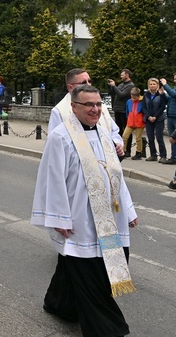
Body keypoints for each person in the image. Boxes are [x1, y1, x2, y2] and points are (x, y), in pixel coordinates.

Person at [31, 84, 137, 336]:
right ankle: (108, 329)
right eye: (89, 105)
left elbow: (115, 174)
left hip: (110, 216)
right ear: (74, 107)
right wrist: (59, 217)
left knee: (85, 267)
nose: (95, 109)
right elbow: (53, 178)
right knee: (92, 274)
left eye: (99, 104)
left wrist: (129, 210)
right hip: (79, 217)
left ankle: (61, 304)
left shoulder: (103, 133)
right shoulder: (61, 136)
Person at [108, 69, 135, 155]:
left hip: (124, 110)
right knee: (118, 130)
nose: (121, 76)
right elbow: (114, 93)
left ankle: (128, 150)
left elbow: (122, 94)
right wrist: (111, 87)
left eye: (122, 75)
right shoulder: (121, 84)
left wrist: (114, 86)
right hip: (117, 109)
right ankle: (120, 148)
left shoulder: (131, 85)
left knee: (126, 130)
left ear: (127, 75)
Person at [143, 77, 167, 162]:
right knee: (150, 137)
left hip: (159, 118)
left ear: (157, 85)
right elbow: (144, 107)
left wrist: (155, 116)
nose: (152, 86)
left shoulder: (161, 94)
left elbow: (163, 106)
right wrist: (148, 116)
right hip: (148, 119)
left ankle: (163, 156)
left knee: (159, 137)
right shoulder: (146, 95)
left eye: (154, 84)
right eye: (151, 84)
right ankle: (153, 155)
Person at [122, 87, 146, 160]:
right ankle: (123, 151)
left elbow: (144, 111)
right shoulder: (129, 101)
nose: (133, 99)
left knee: (138, 138)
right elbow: (127, 111)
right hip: (130, 122)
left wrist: (143, 120)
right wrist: (128, 118)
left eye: (134, 97)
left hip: (139, 122)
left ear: (138, 96)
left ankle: (138, 152)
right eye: (132, 97)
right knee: (124, 136)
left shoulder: (142, 101)